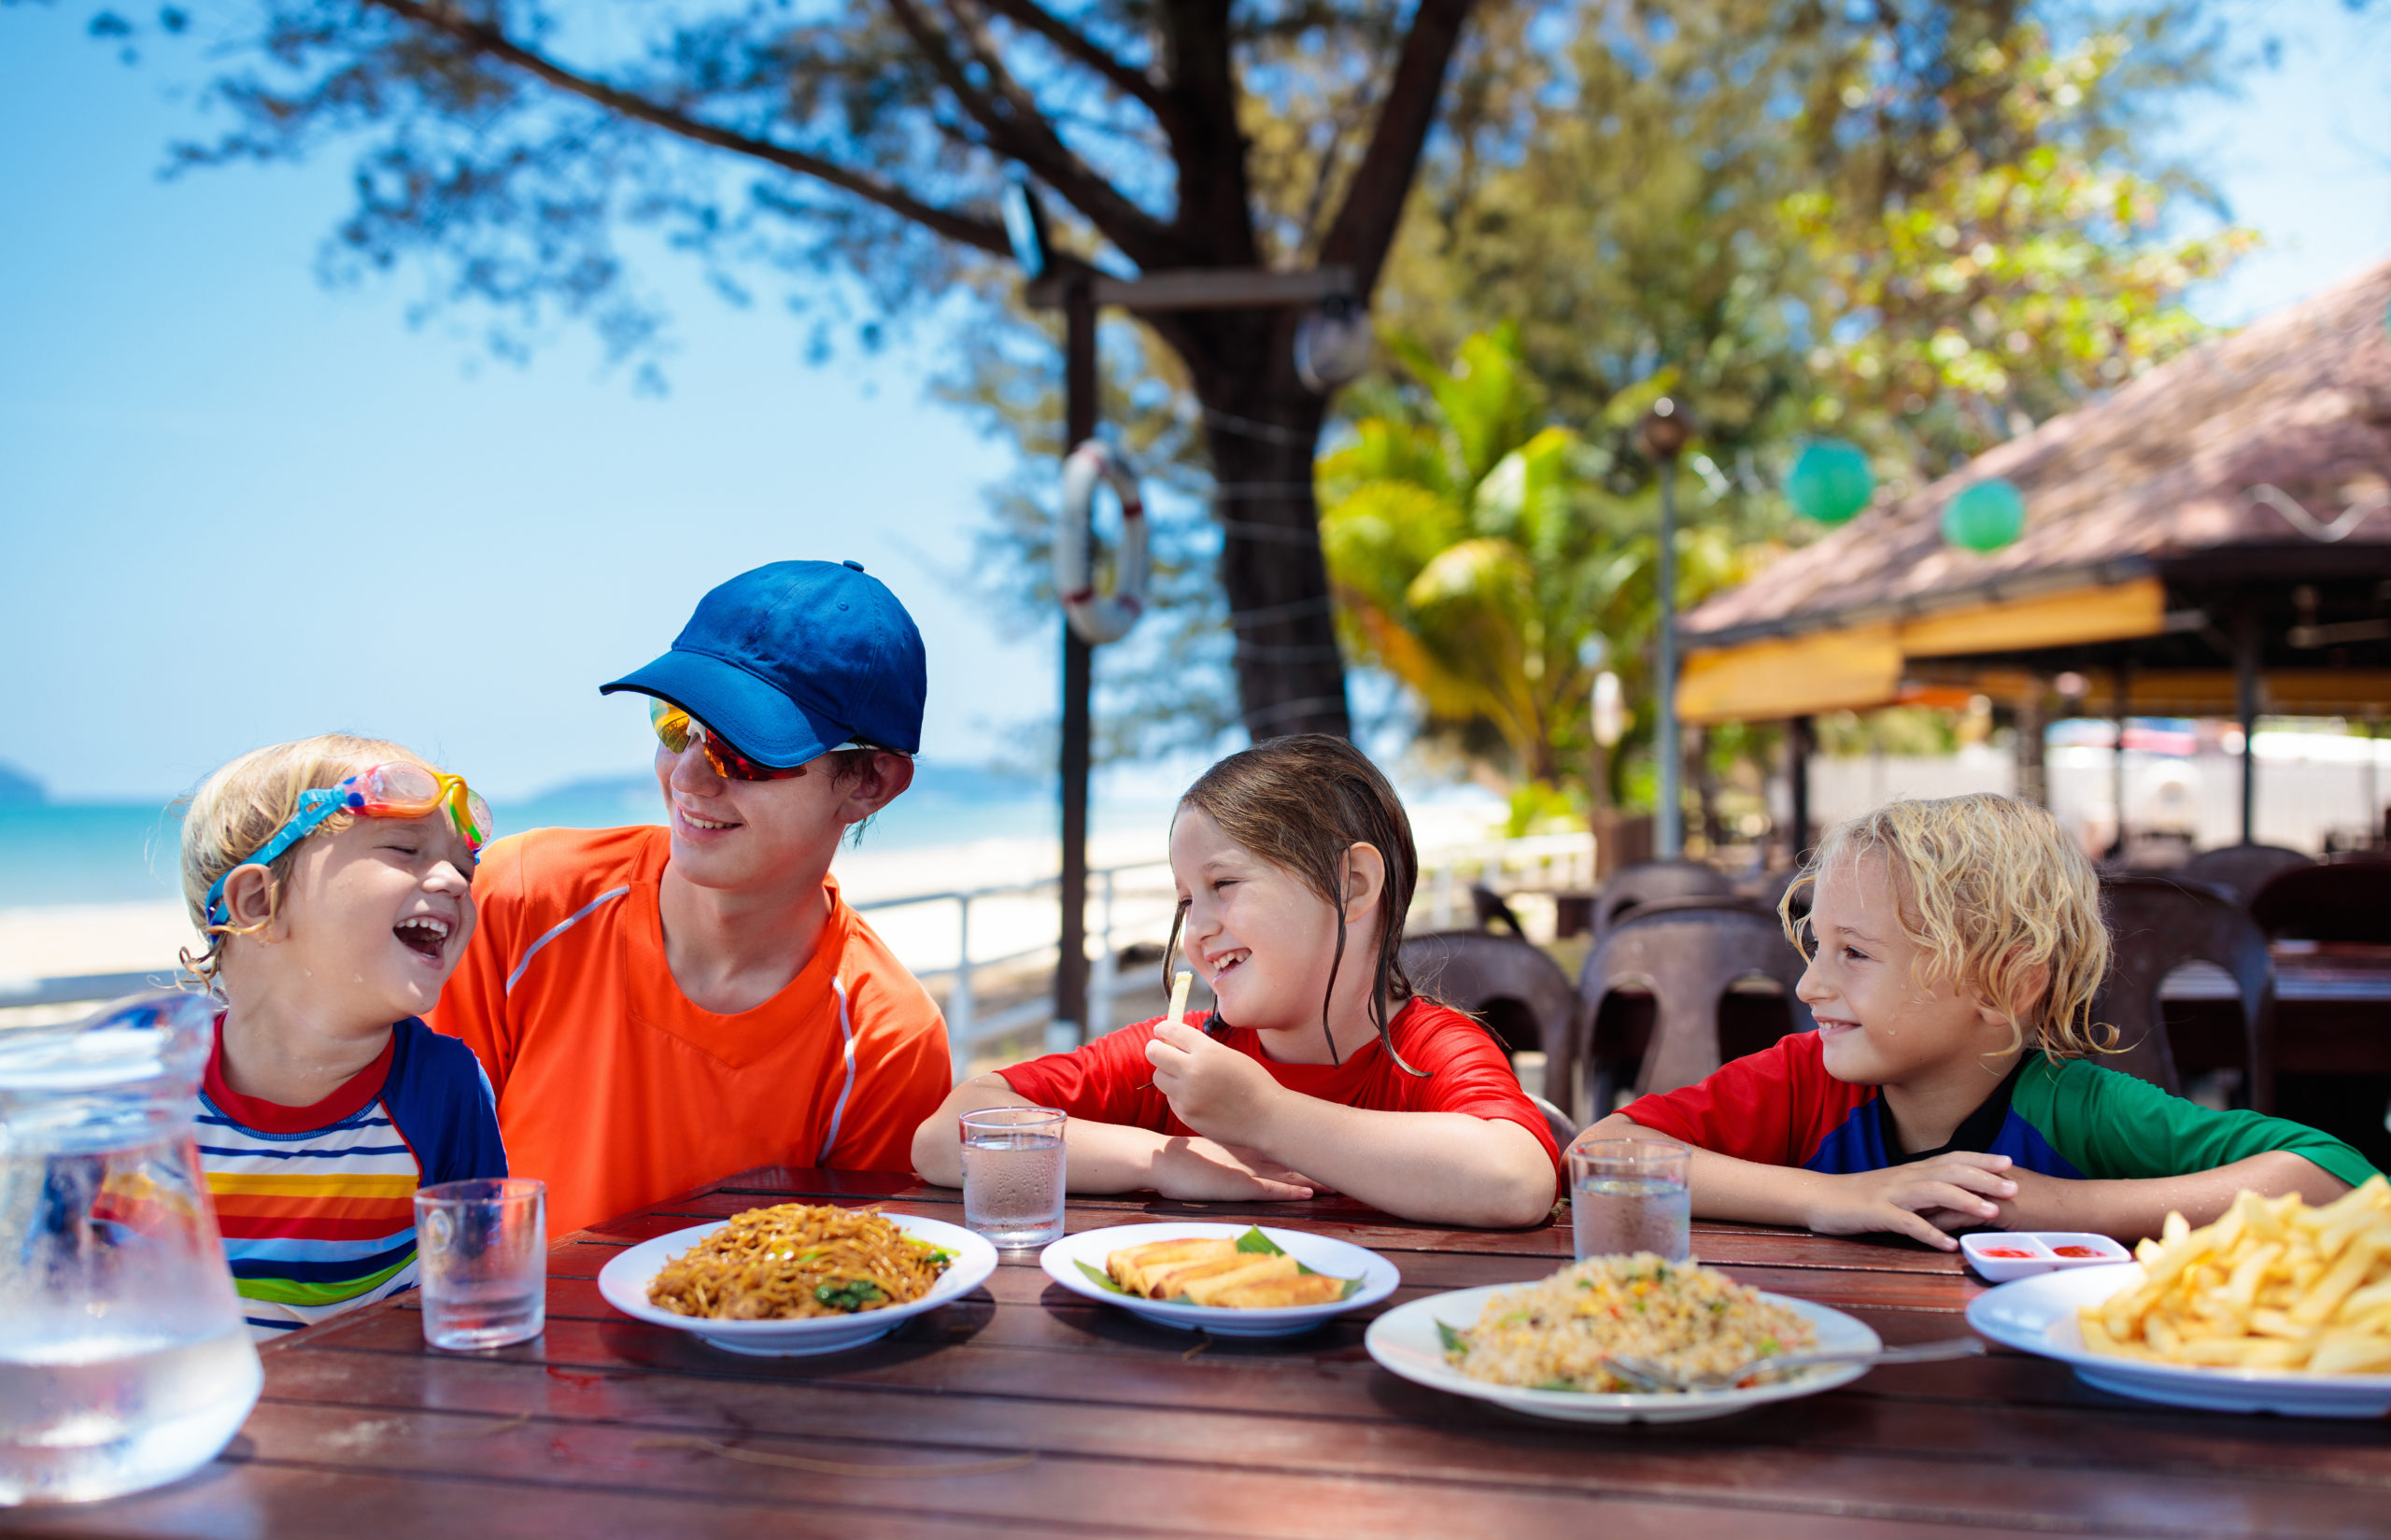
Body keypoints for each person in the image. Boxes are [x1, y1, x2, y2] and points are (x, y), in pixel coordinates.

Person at [1584, 793, 2378, 1249]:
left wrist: (2055, 1207)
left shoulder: (2074, 1108)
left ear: (2004, 983)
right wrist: (1833, 1197)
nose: (1809, 982)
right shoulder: (1804, 1081)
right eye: (1817, 945)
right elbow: (1600, 1150)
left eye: (1855, 954)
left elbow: (2341, 1178)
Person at [432, 559, 950, 1236]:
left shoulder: (886, 1043)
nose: (687, 775)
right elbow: (424, 1189)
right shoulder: (523, 898)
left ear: (870, 782)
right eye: (676, 724)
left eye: (744, 750)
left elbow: (844, 1284)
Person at [913, 735, 1559, 1228]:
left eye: (1223, 885)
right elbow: (946, 1138)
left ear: (1353, 885)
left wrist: (1265, 1115)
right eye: (1186, 900)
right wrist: (1164, 1159)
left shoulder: (1426, 1053)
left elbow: (1519, 1178)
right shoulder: (1183, 1056)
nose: (1197, 930)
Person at [180, 735, 507, 1338]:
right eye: (407, 849)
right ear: (259, 901)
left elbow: (477, 1305)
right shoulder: (149, 1089)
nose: (457, 882)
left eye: (464, 867)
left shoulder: (441, 1089)